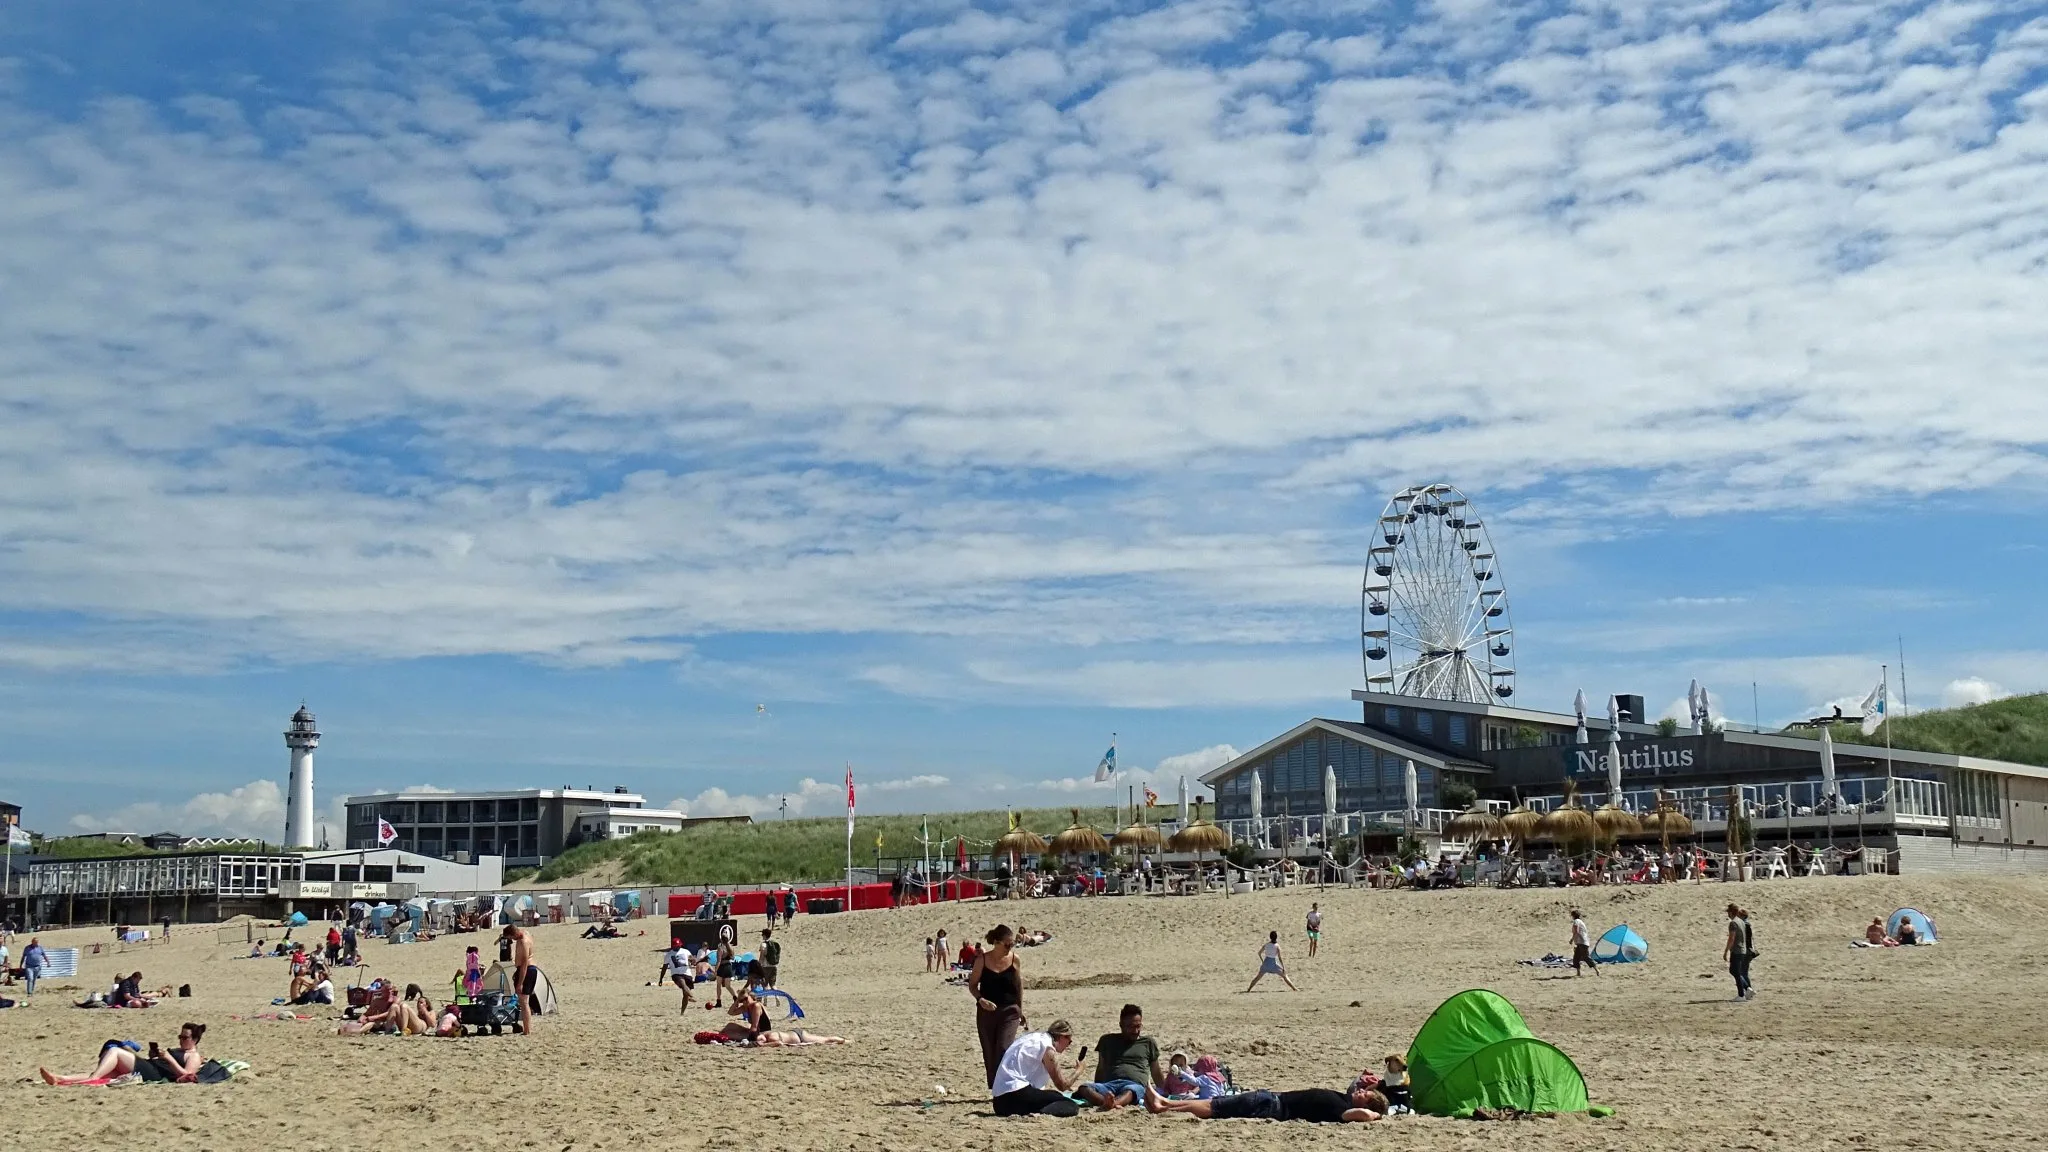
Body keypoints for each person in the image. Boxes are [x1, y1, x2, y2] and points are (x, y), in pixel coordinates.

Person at [42, 1023, 207, 1085]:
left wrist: (169, 1058)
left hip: (155, 1074)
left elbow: (188, 1076)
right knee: (107, 1072)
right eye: (180, 1036)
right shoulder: (180, 1050)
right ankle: (61, 1078)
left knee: (115, 1051)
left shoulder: (194, 1056)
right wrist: (155, 1055)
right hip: (151, 1066)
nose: (180, 1040)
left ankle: (91, 1079)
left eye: (184, 1037)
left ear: (195, 1040)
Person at [1145, 1082, 1386, 1123]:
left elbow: (1361, 1116)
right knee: (1218, 1101)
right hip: (1272, 1099)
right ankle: (1166, 1102)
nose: (1362, 1090)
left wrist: (1375, 1114)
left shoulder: (1345, 1111)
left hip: (1273, 1107)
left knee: (1215, 1109)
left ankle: (1164, 1108)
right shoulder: (1344, 1099)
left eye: (1366, 1095)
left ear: (1367, 1105)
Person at [1078, 1003, 1166, 1110]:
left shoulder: (1148, 1043)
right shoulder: (1107, 1041)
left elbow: (1156, 1072)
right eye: (1130, 1027)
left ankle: (1112, 1104)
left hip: (1134, 1085)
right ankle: (1107, 1102)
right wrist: (1098, 1088)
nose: (1135, 1031)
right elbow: (1101, 1068)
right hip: (1109, 1085)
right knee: (1084, 1088)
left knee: (1130, 1091)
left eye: (1138, 1026)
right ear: (1121, 1025)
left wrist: (1166, 1091)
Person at [970, 924, 1026, 1087]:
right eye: (1007, 944)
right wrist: (981, 999)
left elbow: (1018, 985)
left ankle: (1004, 1086)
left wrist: (1020, 1009)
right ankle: (995, 1086)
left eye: (1012, 944)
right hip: (986, 1012)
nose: (1010, 947)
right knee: (989, 1052)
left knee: (1004, 1048)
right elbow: (972, 985)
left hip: (1010, 1011)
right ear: (996, 942)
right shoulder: (982, 960)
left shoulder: (1015, 959)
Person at [990, 1020, 1082, 1116]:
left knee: (1055, 1095)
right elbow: (1062, 1085)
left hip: (999, 1102)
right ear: (1062, 1036)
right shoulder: (1047, 1046)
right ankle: (1041, 1113)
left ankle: (1038, 1110)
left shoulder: (1031, 1037)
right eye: (1069, 1041)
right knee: (1071, 1105)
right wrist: (1079, 1070)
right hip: (1016, 1094)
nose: (1068, 1045)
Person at [500, 924, 538, 1034]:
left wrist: (520, 983)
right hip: (526, 969)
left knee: (524, 1001)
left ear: (514, 934)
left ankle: (527, 1030)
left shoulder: (523, 941)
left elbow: (525, 963)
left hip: (527, 970)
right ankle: (527, 1029)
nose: (512, 940)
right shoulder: (526, 932)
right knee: (524, 1001)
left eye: (511, 937)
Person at [1724, 903, 1755, 1001]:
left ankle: (1742, 993)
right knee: (1736, 971)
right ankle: (1747, 989)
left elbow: (1731, 938)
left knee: (1734, 971)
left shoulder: (1733, 923)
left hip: (1737, 950)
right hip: (1743, 950)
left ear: (1731, 912)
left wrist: (1726, 951)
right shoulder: (1741, 922)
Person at [660, 941, 694, 1013]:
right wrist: (661, 978)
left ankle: (682, 1012)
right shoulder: (669, 955)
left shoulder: (686, 951)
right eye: (676, 946)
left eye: (679, 945)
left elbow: (692, 959)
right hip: (676, 974)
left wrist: (693, 960)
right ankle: (692, 996)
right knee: (682, 983)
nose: (678, 947)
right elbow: (664, 967)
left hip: (687, 973)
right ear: (673, 946)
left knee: (685, 995)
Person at [711, 937, 739, 1008]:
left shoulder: (720, 948)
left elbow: (719, 961)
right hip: (729, 966)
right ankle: (735, 997)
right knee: (728, 986)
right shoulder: (731, 947)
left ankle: (719, 1001)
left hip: (722, 967)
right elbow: (733, 958)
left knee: (718, 985)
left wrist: (715, 970)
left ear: (721, 940)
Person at [1569, 909, 1599, 976]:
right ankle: (1578, 973)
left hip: (1582, 942)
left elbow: (1576, 931)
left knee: (1586, 957)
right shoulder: (1581, 922)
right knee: (1576, 958)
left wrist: (1572, 939)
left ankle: (1597, 970)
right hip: (1581, 942)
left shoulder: (1576, 921)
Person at [752, 1027, 848, 1046]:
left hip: (799, 1036)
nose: (762, 1041)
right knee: (824, 1040)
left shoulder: (771, 1037)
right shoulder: (768, 1034)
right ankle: (843, 1040)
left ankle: (845, 1041)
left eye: (761, 1039)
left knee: (825, 1040)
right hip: (796, 1035)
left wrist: (763, 1045)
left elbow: (779, 1043)